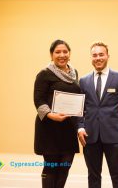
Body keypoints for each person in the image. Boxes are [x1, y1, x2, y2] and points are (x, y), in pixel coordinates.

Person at [78, 42, 118, 188]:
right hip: (90, 137)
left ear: (108, 56)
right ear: (91, 57)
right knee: (93, 176)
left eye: (101, 54)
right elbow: (78, 108)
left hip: (114, 137)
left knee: (117, 176)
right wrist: (80, 127)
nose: (98, 58)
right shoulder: (83, 81)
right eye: (95, 55)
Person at [33, 39, 80, 188]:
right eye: (57, 52)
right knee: (51, 167)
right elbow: (38, 100)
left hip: (68, 129)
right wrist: (51, 115)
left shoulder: (74, 74)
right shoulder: (44, 74)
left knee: (65, 166)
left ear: (69, 54)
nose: (62, 55)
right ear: (51, 55)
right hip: (49, 129)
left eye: (65, 51)